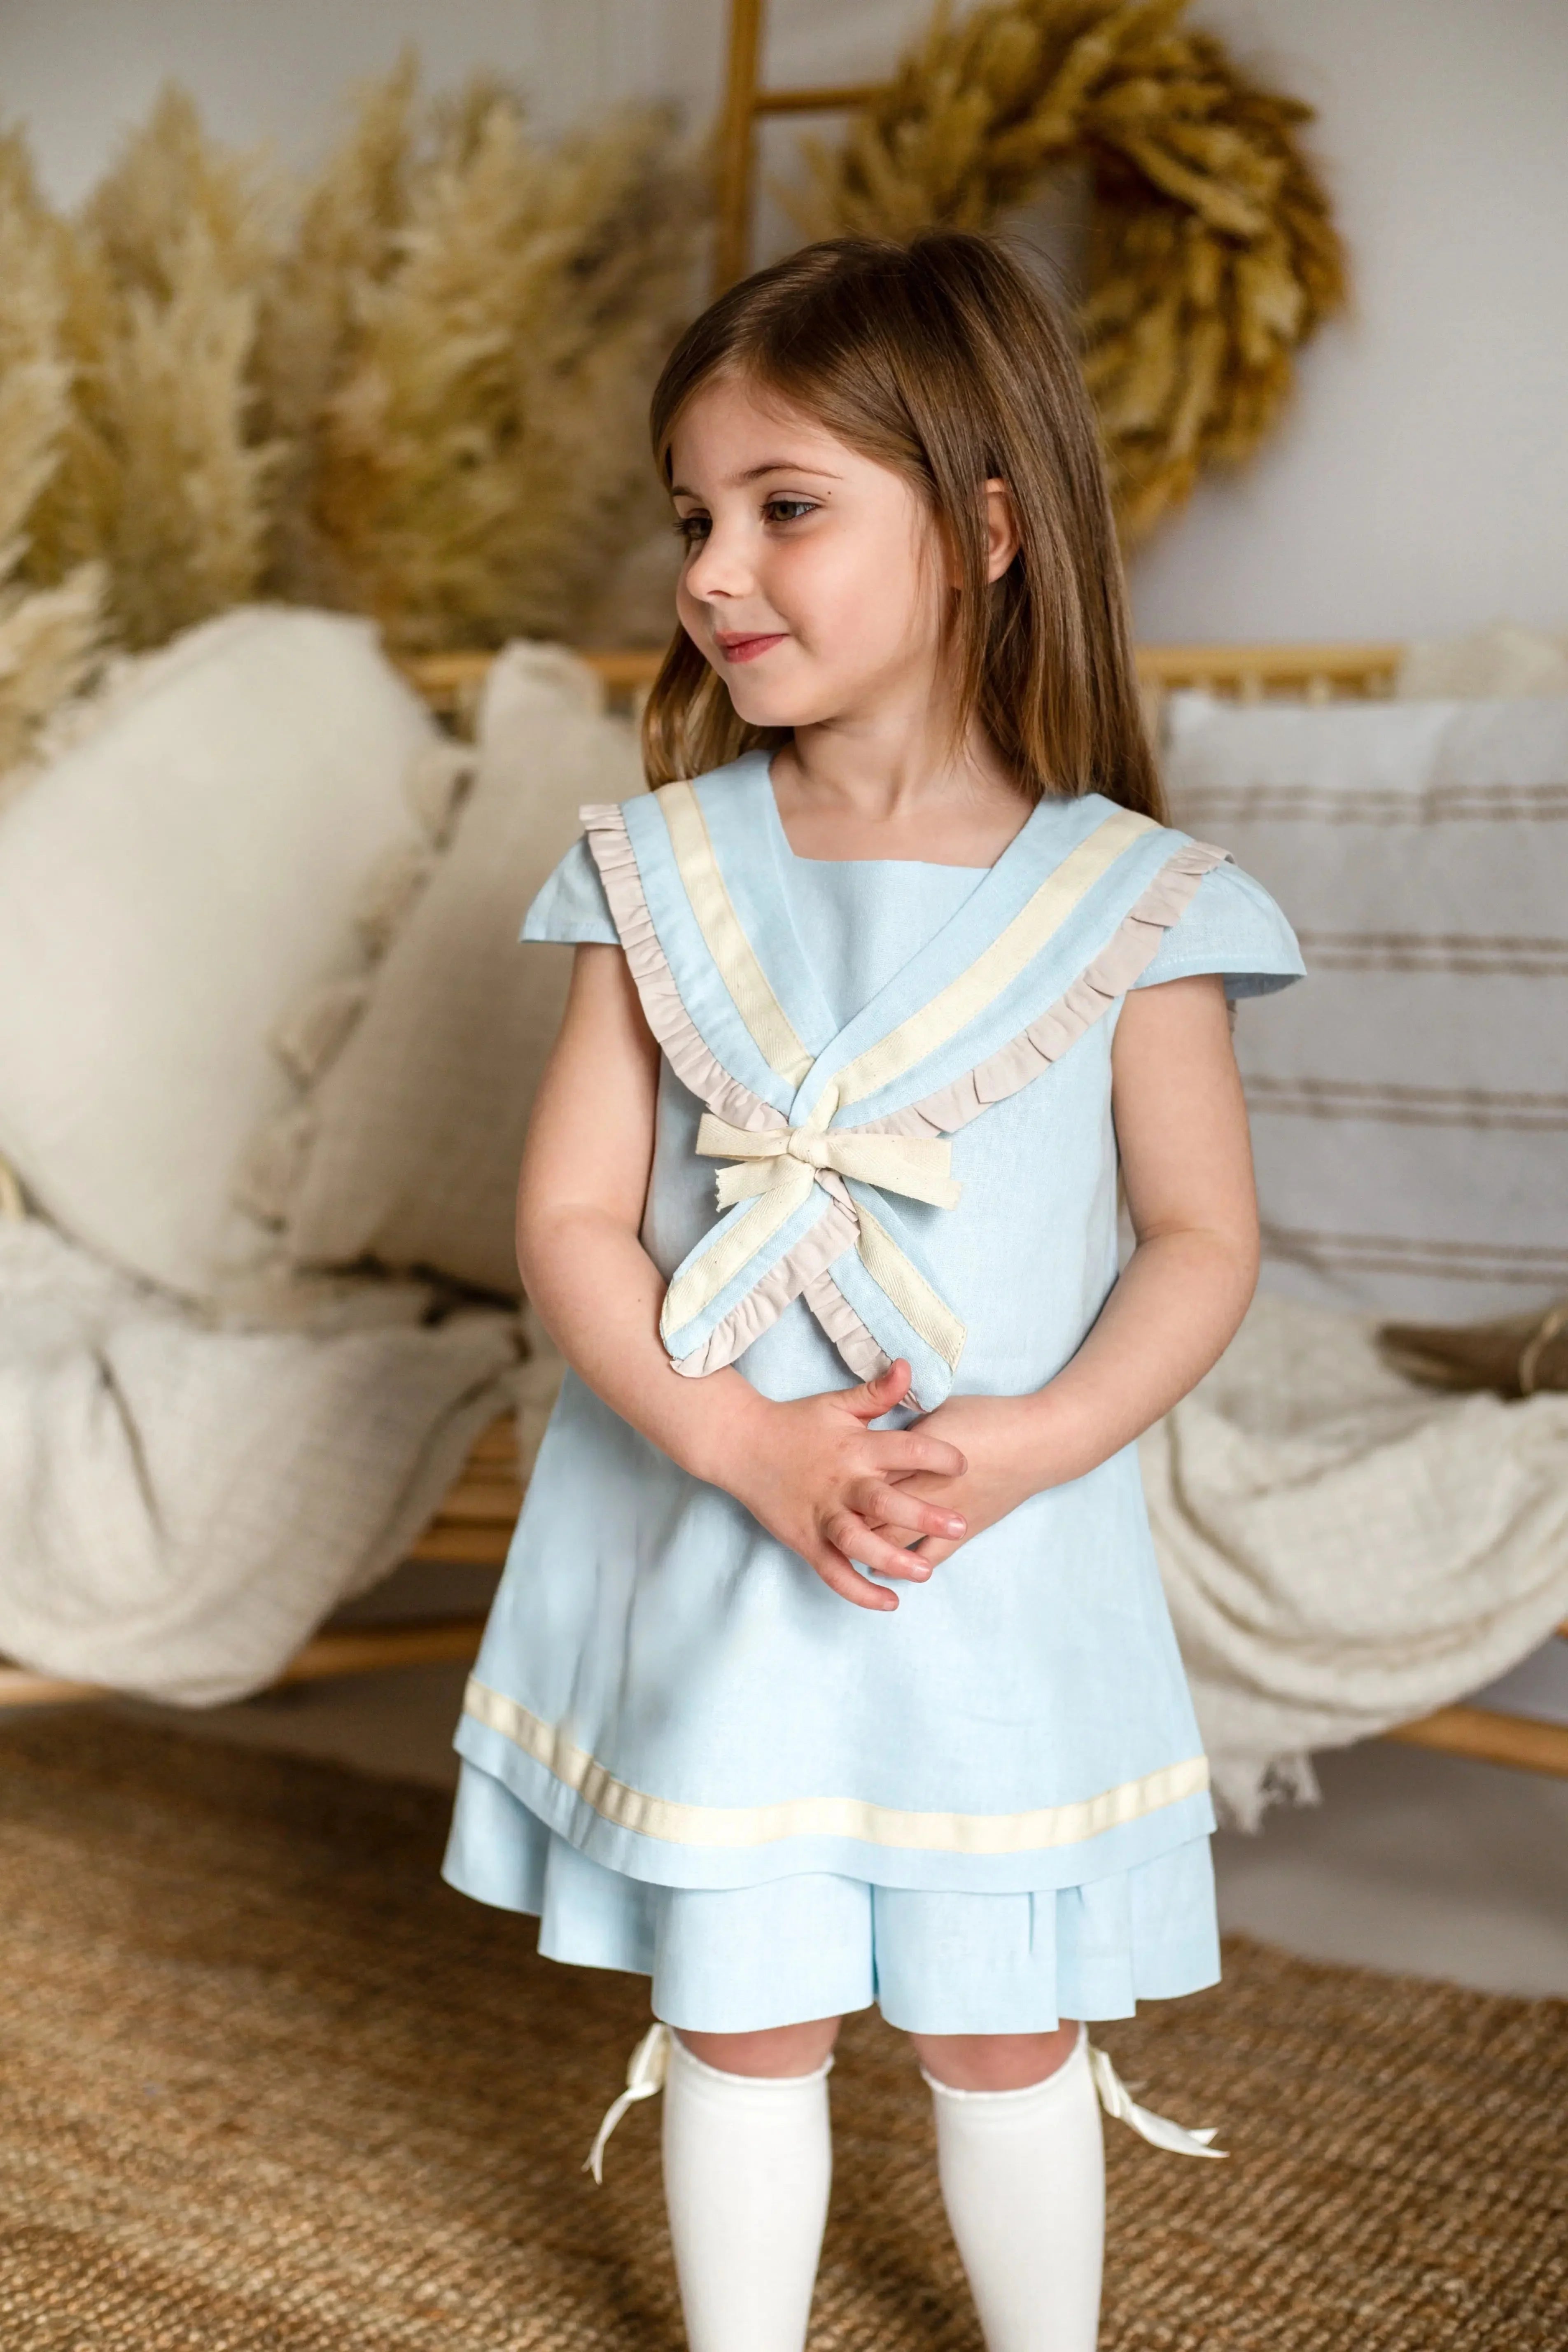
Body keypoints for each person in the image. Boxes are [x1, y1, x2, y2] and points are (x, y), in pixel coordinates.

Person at [441, 230, 1304, 2351]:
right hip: (727, 1537)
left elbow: (1201, 1239)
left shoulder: (1134, 905)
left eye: (787, 507)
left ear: (989, 530)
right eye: (694, 517)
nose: (718, 567)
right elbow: (571, 1223)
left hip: (980, 1560)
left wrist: (1031, 1444)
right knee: (750, 2016)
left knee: (1003, 2032)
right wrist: (734, 1437)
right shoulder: (652, 870)